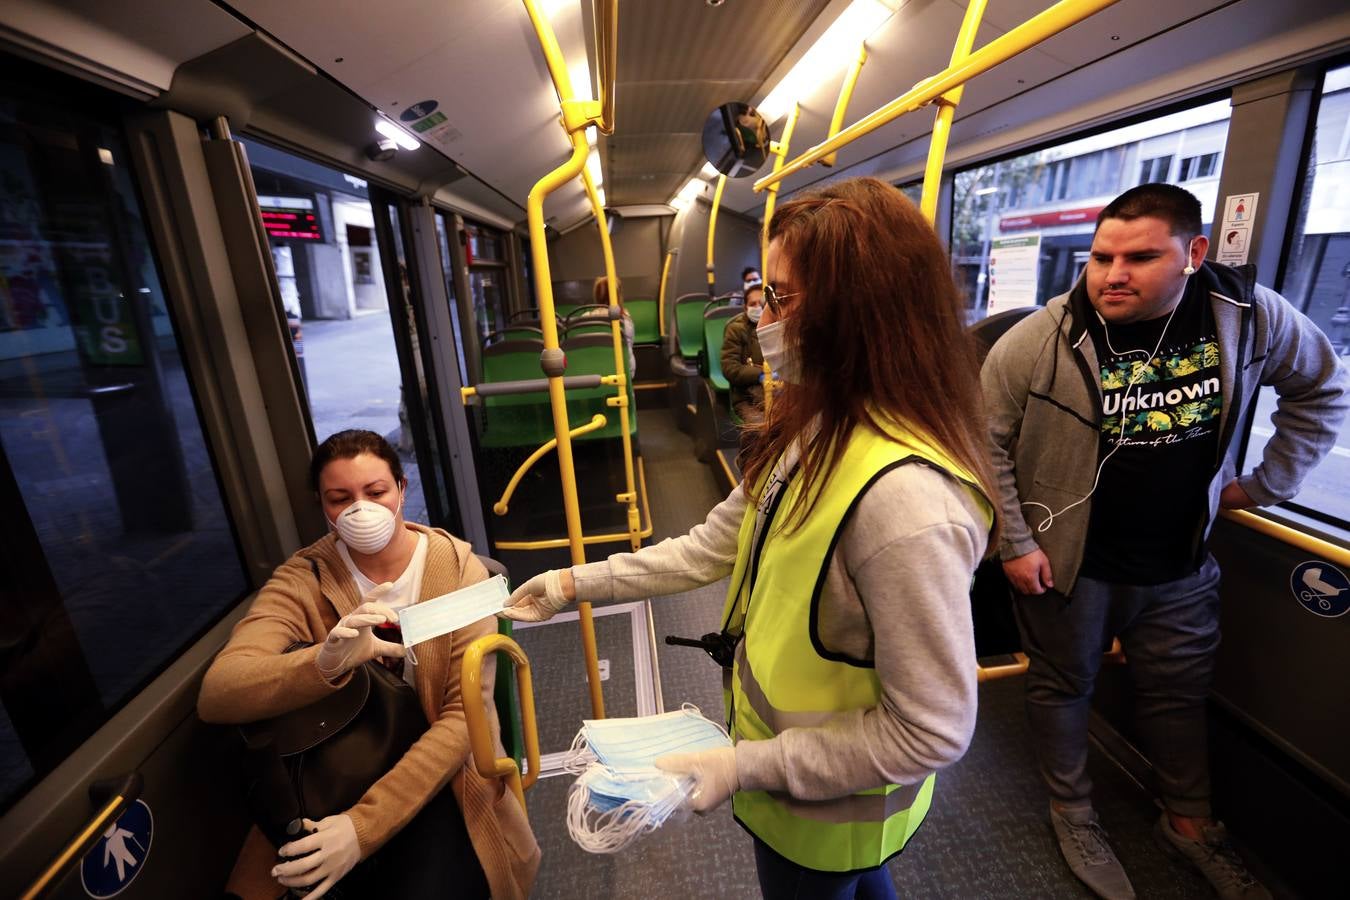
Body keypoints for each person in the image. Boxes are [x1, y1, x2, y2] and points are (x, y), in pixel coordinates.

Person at [504, 177, 998, 898]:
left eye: (783, 296)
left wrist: (742, 768)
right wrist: (572, 583)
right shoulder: (819, 428)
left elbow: (932, 731)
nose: (761, 315)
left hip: (828, 806)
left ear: (856, 312)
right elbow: (710, 547)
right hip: (798, 783)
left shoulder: (905, 504)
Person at [980, 183, 1348, 900]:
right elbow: (982, 443)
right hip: (1068, 567)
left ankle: (1187, 822)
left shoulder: (1247, 318)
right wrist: (1015, 543)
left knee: (1179, 695)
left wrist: (1264, 485)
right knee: (1062, 687)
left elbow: (1322, 388)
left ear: (1194, 254)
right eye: (1101, 257)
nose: (1113, 274)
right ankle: (1074, 809)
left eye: (1140, 256)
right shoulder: (1043, 338)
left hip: (1181, 563)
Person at [199, 430, 540, 900]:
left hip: (441, 773)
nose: (361, 509)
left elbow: (465, 719)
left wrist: (362, 828)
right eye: (340, 499)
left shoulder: (458, 572)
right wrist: (321, 664)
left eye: (376, 492)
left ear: (401, 489)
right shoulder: (304, 579)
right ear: (321, 505)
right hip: (340, 769)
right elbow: (218, 693)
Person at [720, 282, 767, 424]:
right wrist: (760, 375)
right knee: (762, 427)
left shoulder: (774, 325)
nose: (758, 307)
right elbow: (730, 368)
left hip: (775, 393)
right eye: (753, 304)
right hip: (746, 398)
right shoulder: (736, 329)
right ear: (745, 307)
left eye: (761, 303)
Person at [586, 274, 636, 376]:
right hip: (624, 370)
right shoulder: (625, 319)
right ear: (618, 296)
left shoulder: (585, 319)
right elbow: (630, 343)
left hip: (594, 371)